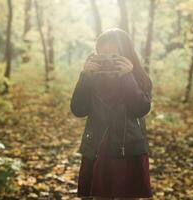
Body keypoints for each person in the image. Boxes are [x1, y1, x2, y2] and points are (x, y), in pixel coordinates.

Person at [70, 28, 153, 200]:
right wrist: (85, 76)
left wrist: (127, 77)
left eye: (113, 55)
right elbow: (78, 110)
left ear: (126, 53)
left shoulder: (138, 77)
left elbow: (140, 109)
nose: (108, 59)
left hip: (128, 149)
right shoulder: (91, 77)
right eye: (103, 53)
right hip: (97, 148)